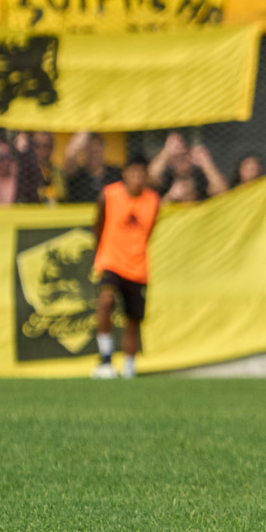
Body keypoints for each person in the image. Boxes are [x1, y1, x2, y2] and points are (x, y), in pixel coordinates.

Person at [90, 154, 161, 381]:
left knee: (133, 320)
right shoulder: (108, 195)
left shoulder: (153, 200)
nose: (137, 178)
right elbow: (97, 226)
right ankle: (105, 358)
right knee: (106, 301)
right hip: (111, 262)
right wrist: (101, 253)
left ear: (147, 176)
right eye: (133, 173)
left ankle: (129, 367)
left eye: (142, 174)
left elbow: (148, 232)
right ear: (124, 174)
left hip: (138, 267)